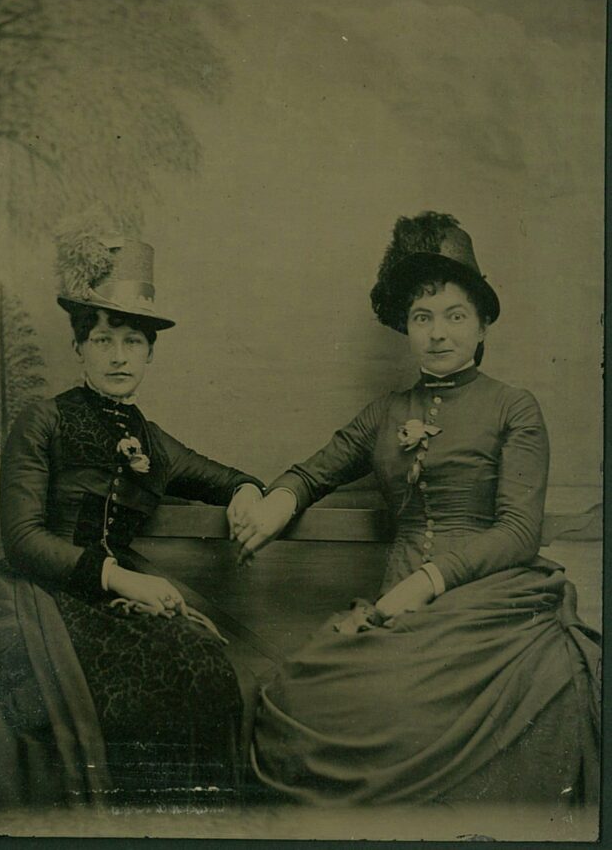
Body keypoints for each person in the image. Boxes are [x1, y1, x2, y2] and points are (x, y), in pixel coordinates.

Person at [230, 211, 600, 806]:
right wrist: (277, 501)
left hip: (489, 602)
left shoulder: (515, 408)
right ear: (406, 326)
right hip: (396, 602)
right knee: (296, 702)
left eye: (456, 315)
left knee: (412, 718)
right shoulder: (385, 412)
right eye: (422, 317)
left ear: (482, 325)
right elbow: (315, 469)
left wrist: (430, 580)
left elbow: (519, 530)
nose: (438, 332)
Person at [0, 228, 265, 809]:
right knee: (130, 688)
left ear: (151, 351)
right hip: (39, 596)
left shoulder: (152, 440)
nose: (119, 355)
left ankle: (185, 825)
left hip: (120, 599)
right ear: (79, 347)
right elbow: (24, 539)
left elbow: (227, 478)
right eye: (103, 339)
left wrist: (249, 492)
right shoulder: (43, 421)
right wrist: (120, 577)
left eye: (133, 340)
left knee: (202, 667)